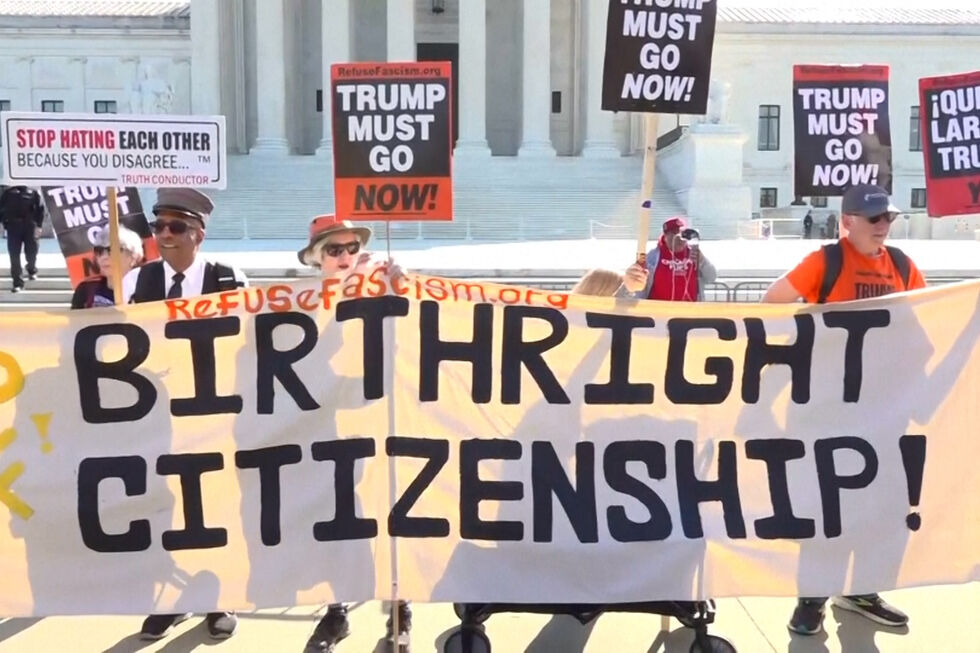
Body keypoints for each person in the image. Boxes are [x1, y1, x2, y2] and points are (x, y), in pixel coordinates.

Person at [762, 183, 925, 636]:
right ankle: (812, 597)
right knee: (825, 503)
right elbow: (772, 304)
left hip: (883, 409)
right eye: (874, 219)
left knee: (879, 504)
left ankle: (861, 590)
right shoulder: (825, 262)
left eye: (888, 218)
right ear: (847, 222)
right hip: (826, 408)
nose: (883, 226)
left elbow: (924, 322)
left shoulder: (903, 266)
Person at [122, 188, 248, 641]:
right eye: (158, 227)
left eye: (175, 227)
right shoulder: (137, 282)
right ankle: (170, 599)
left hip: (215, 414)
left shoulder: (229, 277)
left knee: (213, 506)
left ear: (199, 234)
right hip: (158, 415)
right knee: (165, 508)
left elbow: (248, 345)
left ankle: (218, 596)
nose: (164, 236)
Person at [297, 213, 411, 653]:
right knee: (335, 519)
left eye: (351, 249)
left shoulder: (385, 289)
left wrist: (400, 291)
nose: (345, 257)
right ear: (315, 258)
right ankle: (336, 610)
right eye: (333, 250)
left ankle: (400, 610)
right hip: (326, 430)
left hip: (383, 421)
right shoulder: (296, 302)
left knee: (395, 516)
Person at [618, 216, 716, 302]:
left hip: (690, 315)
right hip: (660, 315)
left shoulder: (694, 254)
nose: (680, 239)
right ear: (665, 236)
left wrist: (703, 261)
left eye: (682, 234)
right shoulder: (651, 257)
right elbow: (636, 287)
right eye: (674, 234)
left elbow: (711, 277)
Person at [70, 226, 144, 308]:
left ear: (133, 256)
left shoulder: (148, 288)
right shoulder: (86, 289)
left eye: (112, 250)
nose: (104, 257)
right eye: (99, 251)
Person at [0, 185, 45, 293]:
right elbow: (1, 208)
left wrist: (39, 226)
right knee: (14, 255)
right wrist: (2, 224)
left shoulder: (33, 192)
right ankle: (18, 283)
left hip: (30, 226)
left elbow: (40, 209)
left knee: (32, 251)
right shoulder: (8, 193)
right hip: (13, 226)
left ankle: (31, 269)